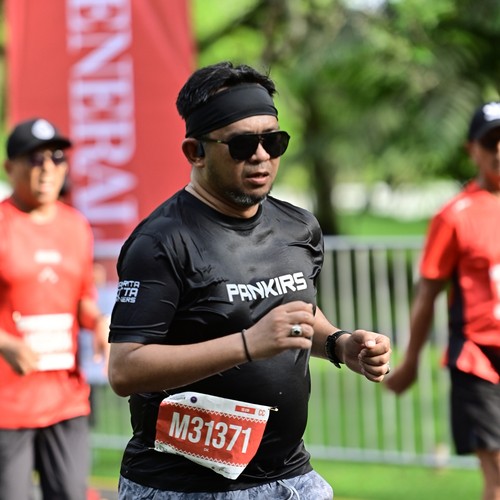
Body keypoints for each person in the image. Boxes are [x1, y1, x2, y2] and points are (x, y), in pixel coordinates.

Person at [107, 61, 392, 500]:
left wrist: (339, 344)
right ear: (195, 152)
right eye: (241, 144)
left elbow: (294, 310)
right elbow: (125, 369)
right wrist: (247, 344)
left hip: (291, 478)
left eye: (273, 141)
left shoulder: (298, 227)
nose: (261, 156)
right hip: (183, 488)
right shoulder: (161, 242)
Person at [385, 102, 500, 500]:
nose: (499, 150)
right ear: (472, 150)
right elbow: (427, 295)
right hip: (478, 359)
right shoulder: (454, 216)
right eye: (490, 142)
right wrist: (411, 362)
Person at [0, 117, 109, 500]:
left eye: (57, 157)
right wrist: (6, 344)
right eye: (35, 158)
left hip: (66, 398)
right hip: (8, 404)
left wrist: (98, 321)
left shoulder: (76, 226)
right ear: (9, 167)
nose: (47, 168)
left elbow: (81, 299)